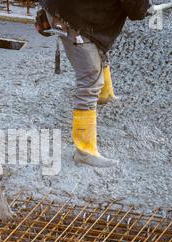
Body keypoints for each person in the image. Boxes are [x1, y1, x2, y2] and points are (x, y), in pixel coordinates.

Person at [36, 0, 150, 167]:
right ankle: (85, 150)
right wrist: (145, 8)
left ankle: (105, 94)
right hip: (72, 15)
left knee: (96, 48)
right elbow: (136, 10)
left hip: (72, 8)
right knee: (89, 77)